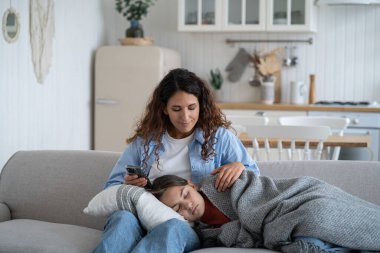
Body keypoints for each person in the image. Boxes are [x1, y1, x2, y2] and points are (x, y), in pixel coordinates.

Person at [91, 68, 259, 253]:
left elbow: (255, 181)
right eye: (176, 109)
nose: (185, 117)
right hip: (144, 217)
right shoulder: (145, 141)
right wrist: (126, 185)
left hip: (187, 226)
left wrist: (239, 166)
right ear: (164, 108)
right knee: (122, 218)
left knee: (171, 228)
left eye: (191, 108)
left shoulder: (219, 138)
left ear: (201, 105)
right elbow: (111, 187)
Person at [150, 172, 380, 253]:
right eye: (177, 208)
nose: (187, 205)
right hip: (289, 228)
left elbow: (257, 190)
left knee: (316, 215)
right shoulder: (206, 235)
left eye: (185, 195)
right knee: (305, 244)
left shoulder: (221, 181)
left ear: (191, 185)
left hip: (297, 196)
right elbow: (246, 237)